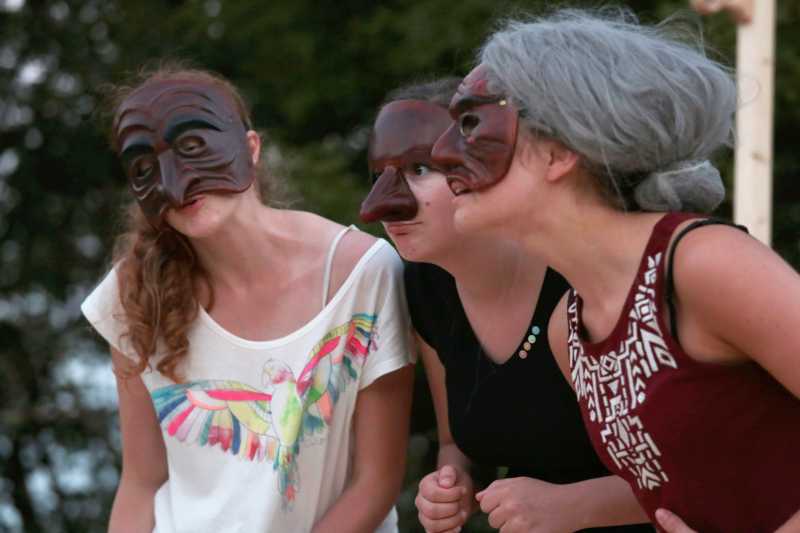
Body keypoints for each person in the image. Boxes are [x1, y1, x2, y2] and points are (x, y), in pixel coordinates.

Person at [430, 8, 800, 533]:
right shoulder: (568, 328)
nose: (444, 154)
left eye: (474, 125)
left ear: (559, 152)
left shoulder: (699, 264)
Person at [81, 64, 414, 533]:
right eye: (144, 168)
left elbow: (375, 482)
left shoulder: (362, 272)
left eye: (193, 148)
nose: (173, 184)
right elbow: (141, 481)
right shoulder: (134, 292)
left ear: (251, 148)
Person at [360, 80, 651, 532]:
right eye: (379, 174)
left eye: (419, 169)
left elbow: (710, 464)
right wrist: (452, 483)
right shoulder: (426, 288)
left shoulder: (583, 275)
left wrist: (575, 506)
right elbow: (458, 442)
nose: (382, 203)